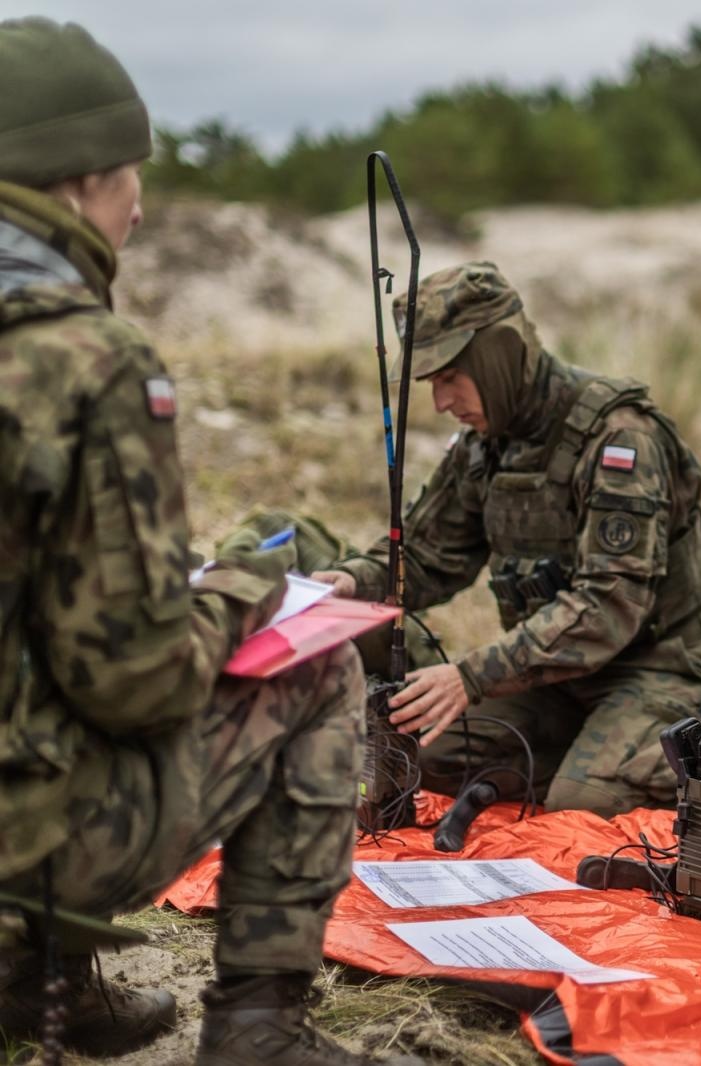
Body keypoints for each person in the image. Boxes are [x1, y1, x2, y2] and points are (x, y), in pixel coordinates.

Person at [0, 17, 420, 1065]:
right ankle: (257, 1025)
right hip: (21, 850)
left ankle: (40, 982)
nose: (139, 208)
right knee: (317, 668)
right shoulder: (84, 361)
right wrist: (242, 586)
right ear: (81, 182)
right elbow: (137, 681)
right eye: (131, 176)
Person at [313, 262, 701, 823]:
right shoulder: (484, 448)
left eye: (449, 378)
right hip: (558, 681)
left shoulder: (619, 438)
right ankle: (592, 752)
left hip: (658, 668)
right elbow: (429, 556)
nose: (440, 402)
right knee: (432, 757)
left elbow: (609, 606)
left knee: (585, 808)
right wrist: (354, 581)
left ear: (498, 354)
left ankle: (680, 741)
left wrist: (472, 676)